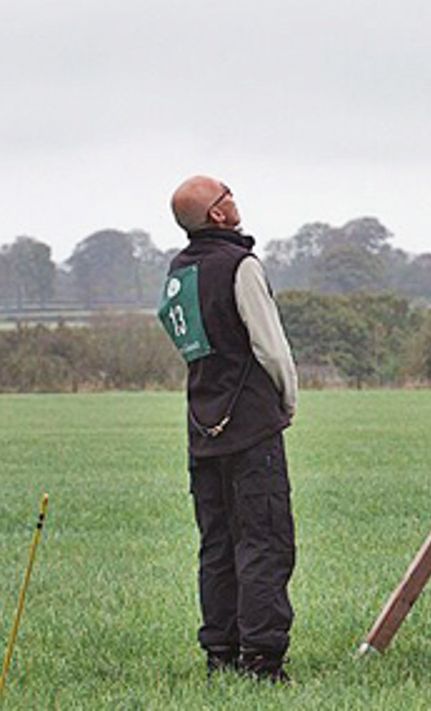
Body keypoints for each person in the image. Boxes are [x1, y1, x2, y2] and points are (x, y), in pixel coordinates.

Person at [158, 175, 298, 684]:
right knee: (265, 540)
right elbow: (269, 346)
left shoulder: (179, 273)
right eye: (227, 193)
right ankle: (263, 660)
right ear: (218, 214)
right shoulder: (240, 265)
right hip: (251, 426)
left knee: (217, 543)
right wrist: (287, 397)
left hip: (202, 422)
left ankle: (221, 652)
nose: (234, 198)